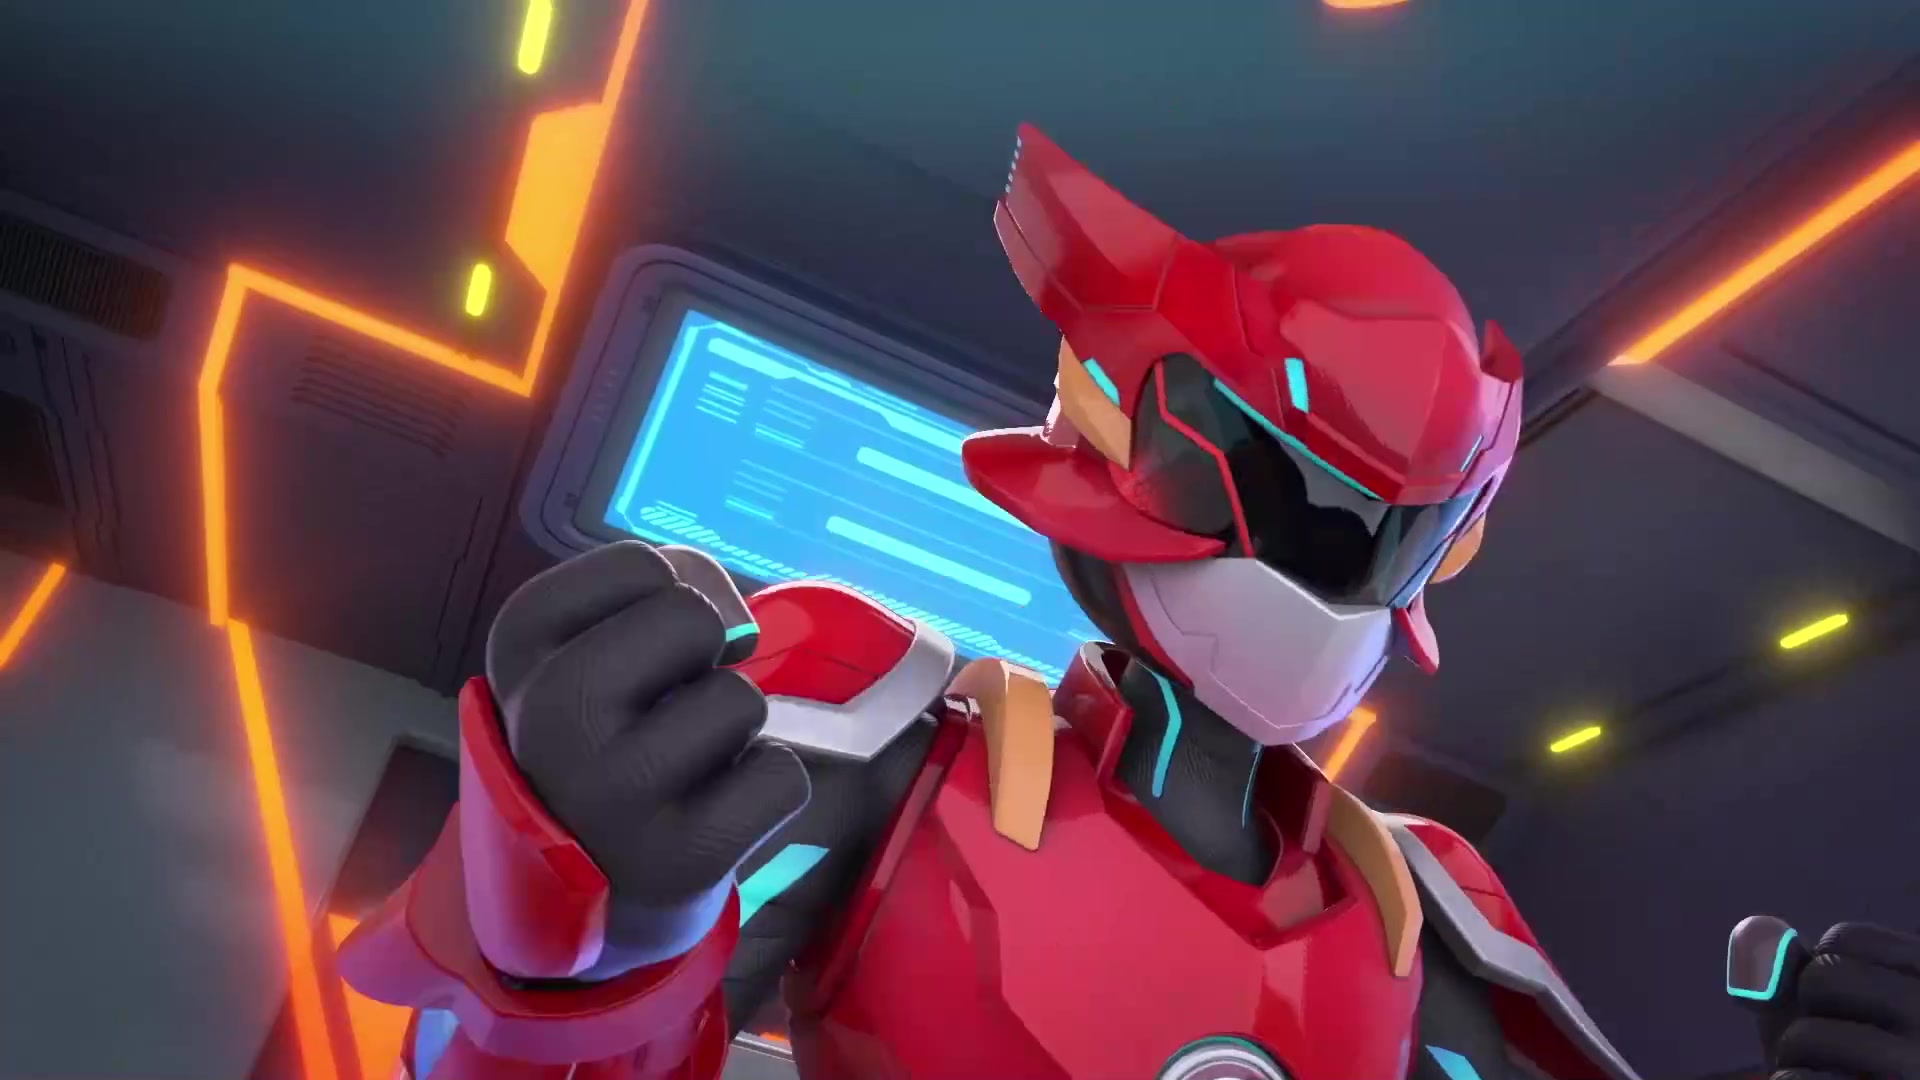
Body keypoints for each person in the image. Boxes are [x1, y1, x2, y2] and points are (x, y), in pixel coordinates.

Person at [339, 125, 1920, 1080]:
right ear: (1121, 451)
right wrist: (578, 930)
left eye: (1393, 537)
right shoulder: (894, 745)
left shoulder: (1417, 906)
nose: (1330, 577)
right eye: (1296, 501)